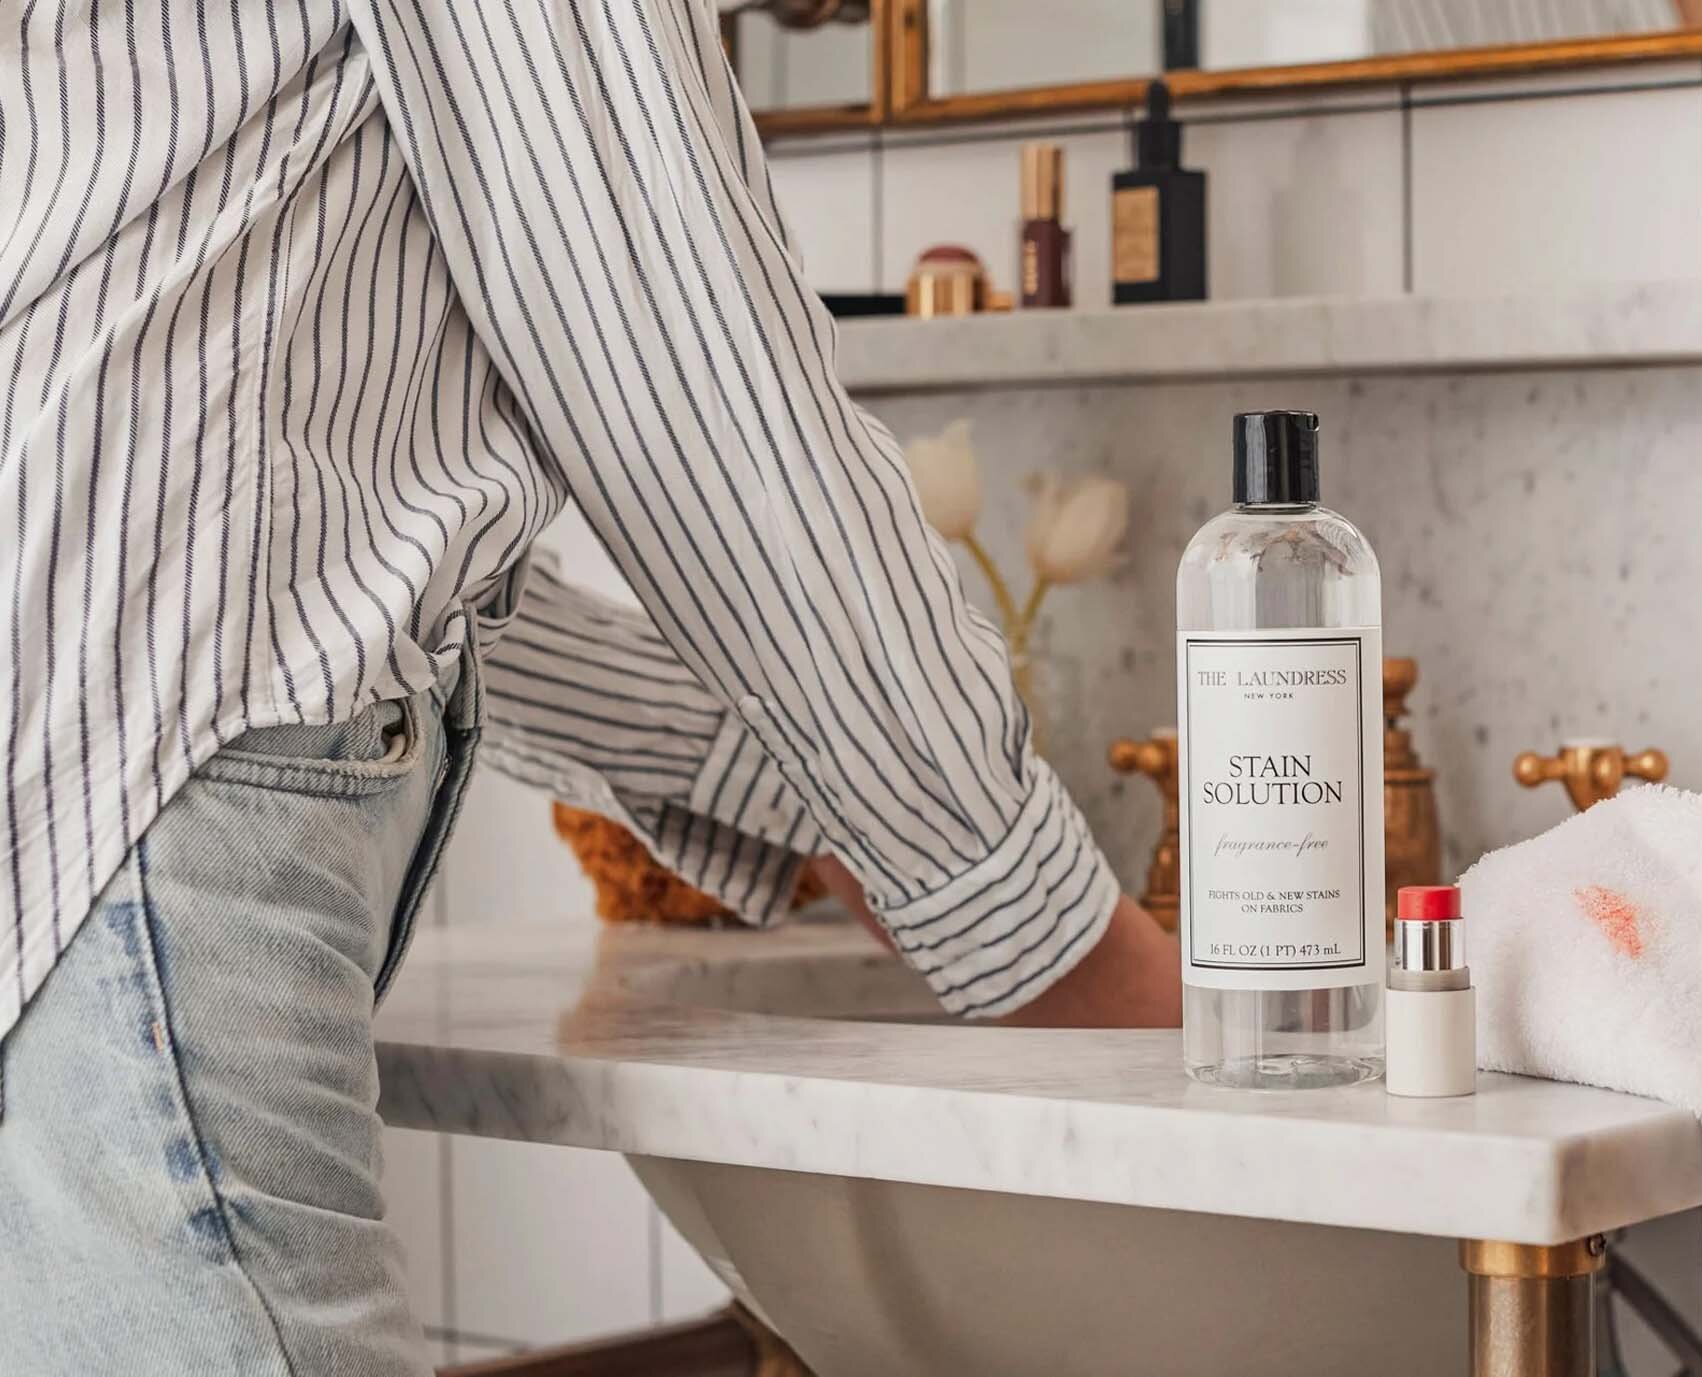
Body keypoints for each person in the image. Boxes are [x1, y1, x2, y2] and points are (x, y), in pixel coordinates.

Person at [0, 1, 1178, 1370]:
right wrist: (1043, 922)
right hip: (127, 826)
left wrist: (798, 791)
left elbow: (307, 565)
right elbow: (693, 390)